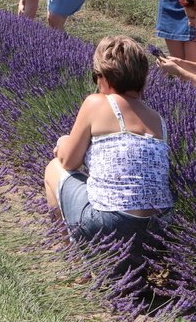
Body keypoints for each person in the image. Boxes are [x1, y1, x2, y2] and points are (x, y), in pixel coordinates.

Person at [43, 36, 173, 256]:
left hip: (109, 224)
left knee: (53, 168)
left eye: (96, 76)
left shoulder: (96, 102)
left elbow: (69, 161)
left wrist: (63, 142)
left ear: (104, 76)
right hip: (157, 230)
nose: (96, 83)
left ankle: (75, 262)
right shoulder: (158, 120)